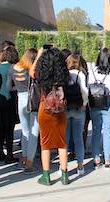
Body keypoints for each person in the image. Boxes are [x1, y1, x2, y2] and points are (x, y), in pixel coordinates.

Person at [31, 47, 70, 186]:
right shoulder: (64, 74)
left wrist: (39, 55)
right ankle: (65, 175)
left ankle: (46, 176)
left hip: (45, 108)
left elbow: (31, 72)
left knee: (45, 144)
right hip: (60, 109)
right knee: (62, 142)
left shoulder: (41, 73)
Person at [87, 48, 110, 169]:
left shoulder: (92, 71)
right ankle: (108, 160)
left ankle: (96, 159)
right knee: (108, 132)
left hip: (94, 102)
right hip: (109, 103)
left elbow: (88, 87)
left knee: (96, 131)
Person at [8, 48, 39, 173]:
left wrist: (20, 87)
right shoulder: (31, 69)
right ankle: (30, 163)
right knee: (34, 132)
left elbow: (9, 87)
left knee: (25, 131)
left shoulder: (13, 68)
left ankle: (24, 159)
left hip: (20, 99)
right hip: (32, 99)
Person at [0, 46, 19, 163]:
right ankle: (10, 153)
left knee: (0, 127)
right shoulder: (13, 68)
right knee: (9, 128)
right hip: (10, 100)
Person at [65, 53, 89, 176]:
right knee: (78, 138)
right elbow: (84, 90)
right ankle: (80, 166)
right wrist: (84, 104)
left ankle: (63, 167)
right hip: (79, 108)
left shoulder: (64, 74)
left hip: (66, 109)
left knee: (65, 139)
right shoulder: (81, 74)